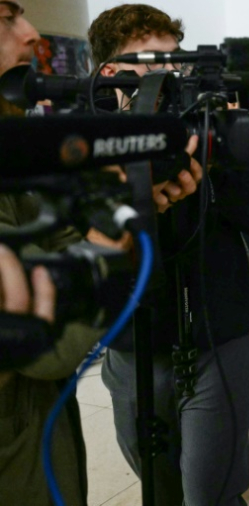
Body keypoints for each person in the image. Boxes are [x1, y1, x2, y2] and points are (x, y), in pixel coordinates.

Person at [88, 4, 249, 505]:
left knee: (210, 494)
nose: (170, 72)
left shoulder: (210, 127)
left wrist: (215, 156)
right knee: (160, 492)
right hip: (132, 350)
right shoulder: (91, 142)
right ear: (111, 72)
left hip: (216, 343)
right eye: (153, 61)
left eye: (175, 60)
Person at [0, 3, 104, 503]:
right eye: (4, 19)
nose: (30, 34)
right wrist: (108, 244)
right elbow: (47, 346)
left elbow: (58, 243)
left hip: (38, 427)